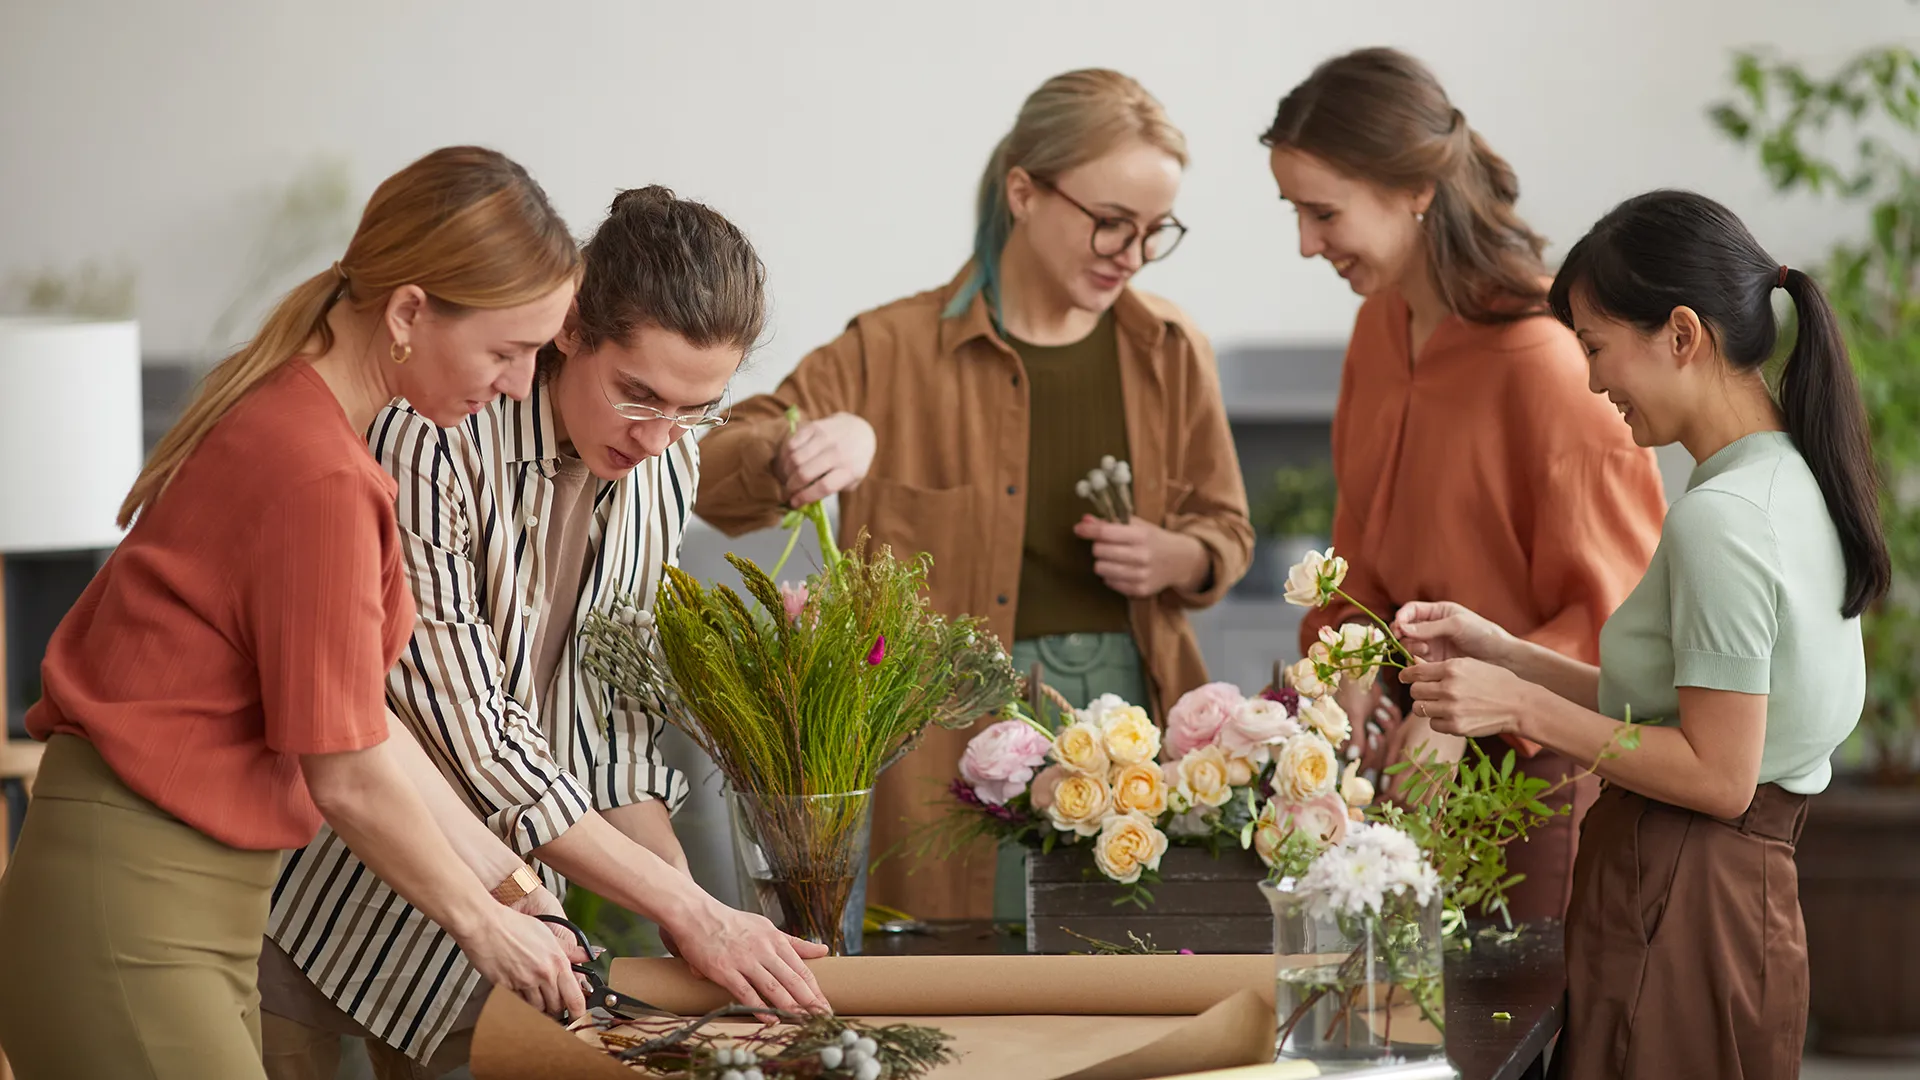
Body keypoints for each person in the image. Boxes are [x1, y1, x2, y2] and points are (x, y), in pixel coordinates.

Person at [0, 146, 591, 1080]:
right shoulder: (314, 469)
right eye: (507, 351)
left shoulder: (303, 424)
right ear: (409, 312)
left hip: (180, 911)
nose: (518, 385)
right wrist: (483, 927)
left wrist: (514, 890)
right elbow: (347, 775)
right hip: (135, 909)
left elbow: (366, 728)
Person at [258, 186, 831, 1079]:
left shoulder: (667, 461)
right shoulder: (434, 432)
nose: (659, 438)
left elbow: (605, 727)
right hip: (319, 884)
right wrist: (688, 913)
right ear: (571, 329)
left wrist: (700, 920)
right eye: (637, 395)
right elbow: (463, 726)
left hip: (498, 916)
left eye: (695, 408)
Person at [696, 69, 1252, 920]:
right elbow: (705, 465)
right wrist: (794, 451)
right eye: (1110, 224)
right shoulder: (889, 349)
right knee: (956, 976)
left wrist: (1187, 555)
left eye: (1153, 231)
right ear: (1024, 192)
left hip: (1128, 722)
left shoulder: (1171, 350)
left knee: (1117, 971)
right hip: (943, 738)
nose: (1131, 256)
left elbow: (1226, 526)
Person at [1396, 189, 1887, 1080]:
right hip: (1726, 895)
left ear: (1683, 334)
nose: (1590, 380)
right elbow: (1671, 706)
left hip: (1682, 896)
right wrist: (1504, 652)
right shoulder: (1787, 477)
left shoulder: (1724, 519)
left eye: (1593, 345)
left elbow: (1715, 774)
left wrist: (1522, 710)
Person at [1263, 48, 1667, 920]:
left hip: (1540, 785)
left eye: (1322, 212)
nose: (1304, 244)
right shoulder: (1379, 329)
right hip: (1405, 775)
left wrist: (1470, 710)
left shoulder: (1550, 359)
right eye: (1294, 211)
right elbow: (1360, 555)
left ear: (1415, 189)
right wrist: (1348, 662)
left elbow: (1623, 625)